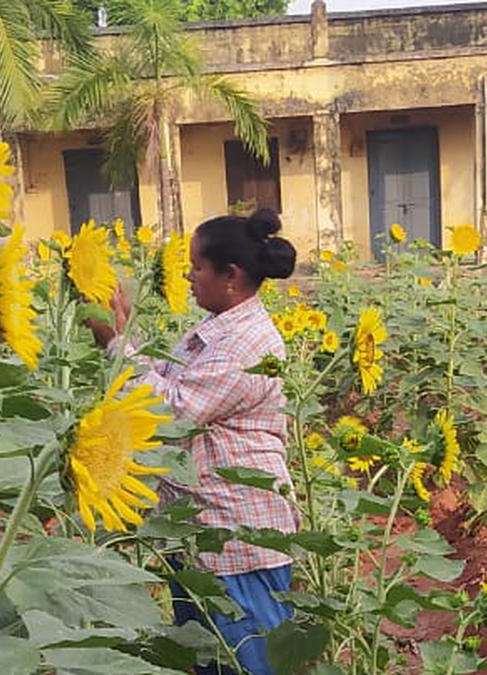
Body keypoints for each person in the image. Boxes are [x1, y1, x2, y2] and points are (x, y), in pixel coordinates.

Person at [89, 209, 299, 675]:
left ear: (231, 275)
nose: (187, 275)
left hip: (237, 541)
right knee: (210, 661)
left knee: (247, 663)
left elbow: (174, 411)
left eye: (197, 266)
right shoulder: (219, 328)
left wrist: (114, 346)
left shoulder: (250, 343)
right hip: (204, 537)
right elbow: (166, 378)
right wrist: (125, 334)